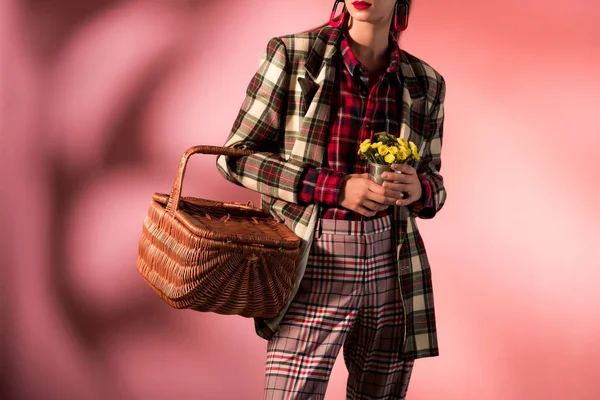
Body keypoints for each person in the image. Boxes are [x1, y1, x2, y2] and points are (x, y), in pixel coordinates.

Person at [216, 0, 446, 398]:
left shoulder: (425, 81)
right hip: (315, 255)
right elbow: (234, 158)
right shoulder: (294, 56)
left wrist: (419, 189)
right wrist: (336, 188)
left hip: (393, 261)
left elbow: (434, 183)